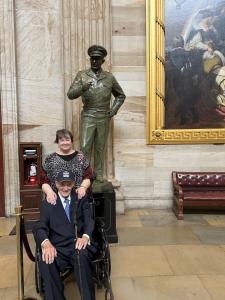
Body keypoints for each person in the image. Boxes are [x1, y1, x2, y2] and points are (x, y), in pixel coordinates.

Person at [33, 170, 96, 300]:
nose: (66, 188)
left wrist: (85, 236)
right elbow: (39, 226)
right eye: (62, 184)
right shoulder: (48, 203)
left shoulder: (80, 198)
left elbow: (89, 220)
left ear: (73, 184)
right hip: (58, 247)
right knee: (46, 258)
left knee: (81, 255)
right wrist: (46, 243)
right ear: (56, 183)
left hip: (77, 244)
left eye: (69, 184)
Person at [67, 45, 126, 183]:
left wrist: (114, 109)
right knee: (85, 146)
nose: (94, 61)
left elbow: (120, 95)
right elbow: (70, 94)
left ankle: (99, 174)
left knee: (100, 147)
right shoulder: (82, 75)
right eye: (92, 59)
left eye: (97, 59)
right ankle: (85, 174)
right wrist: (82, 88)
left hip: (103, 116)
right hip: (88, 115)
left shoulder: (109, 78)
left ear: (102, 61)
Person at [41, 129, 93, 204]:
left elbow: (89, 177)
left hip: (78, 199)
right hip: (56, 200)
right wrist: (49, 192)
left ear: (71, 141)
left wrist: (83, 188)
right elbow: (43, 180)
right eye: (62, 140)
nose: (65, 143)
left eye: (67, 140)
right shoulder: (50, 159)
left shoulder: (80, 157)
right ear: (57, 142)